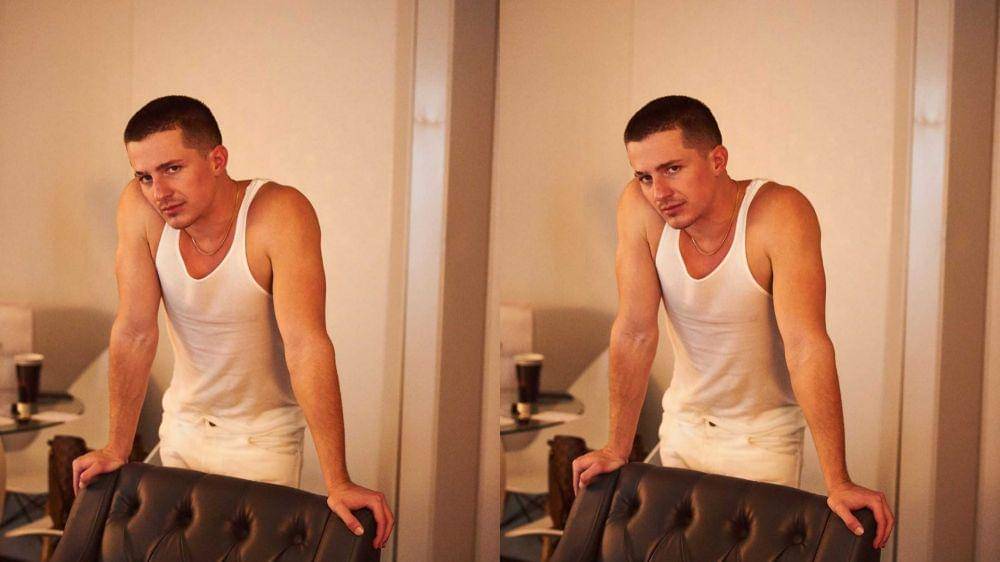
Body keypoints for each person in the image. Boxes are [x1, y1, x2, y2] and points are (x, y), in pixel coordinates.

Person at [571, 95, 894, 549]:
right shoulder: (640, 208)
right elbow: (635, 330)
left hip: (762, 441)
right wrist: (615, 448)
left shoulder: (778, 213)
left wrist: (838, 480)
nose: (659, 192)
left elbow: (806, 346)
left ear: (717, 160)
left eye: (672, 169)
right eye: (644, 176)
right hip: (682, 428)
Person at [71, 95, 393, 549]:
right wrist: (115, 448)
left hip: (262, 442)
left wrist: (338, 479)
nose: (159, 192)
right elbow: (135, 331)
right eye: (144, 176)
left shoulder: (279, 212)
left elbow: (306, 345)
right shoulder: (140, 208)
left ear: (217, 160)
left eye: (172, 169)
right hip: (182, 428)